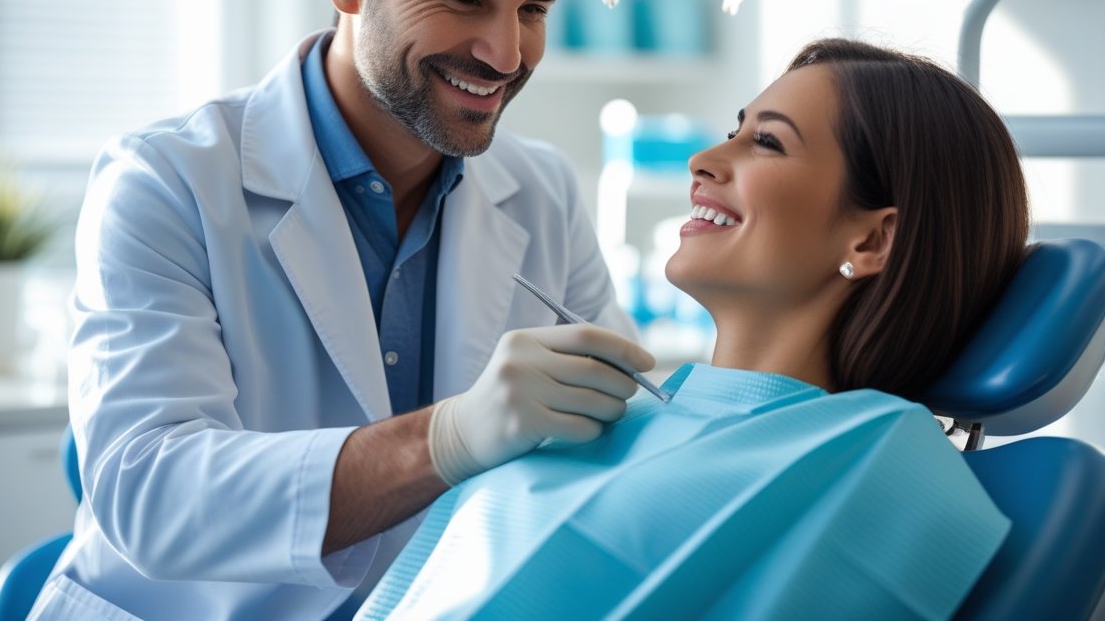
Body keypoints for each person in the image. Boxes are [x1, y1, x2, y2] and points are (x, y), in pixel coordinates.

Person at [29, 0, 653, 621]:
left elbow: (603, 451)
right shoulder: (163, 181)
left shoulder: (541, 190)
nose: (507, 54)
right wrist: (447, 439)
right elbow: (149, 494)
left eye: (533, 9)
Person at [358, 38, 1031, 619]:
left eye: (766, 141)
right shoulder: (628, 411)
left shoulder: (887, 462)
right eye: (735, 129)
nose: (703, 159)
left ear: (872, 239)